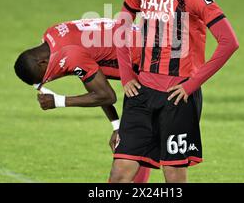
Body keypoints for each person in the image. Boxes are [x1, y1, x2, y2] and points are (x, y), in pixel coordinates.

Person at [110, 0, 239, 183]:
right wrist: (126, 74)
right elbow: (121, 25)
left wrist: (191, 85)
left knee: (174, 174)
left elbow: (229, 41)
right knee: (121, 170)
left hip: (177, 97)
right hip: (141, 92)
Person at [14, 18, 150, 183]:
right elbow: (94, 83)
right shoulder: (52, 34)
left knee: (131, 153)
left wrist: (58, 101)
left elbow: (107, 95)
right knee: (136, 146)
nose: (49, 79)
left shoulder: (70, 54)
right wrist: (116, 126)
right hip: (146, 60)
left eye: (44, 77)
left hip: (152, 68)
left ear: (42, 63)